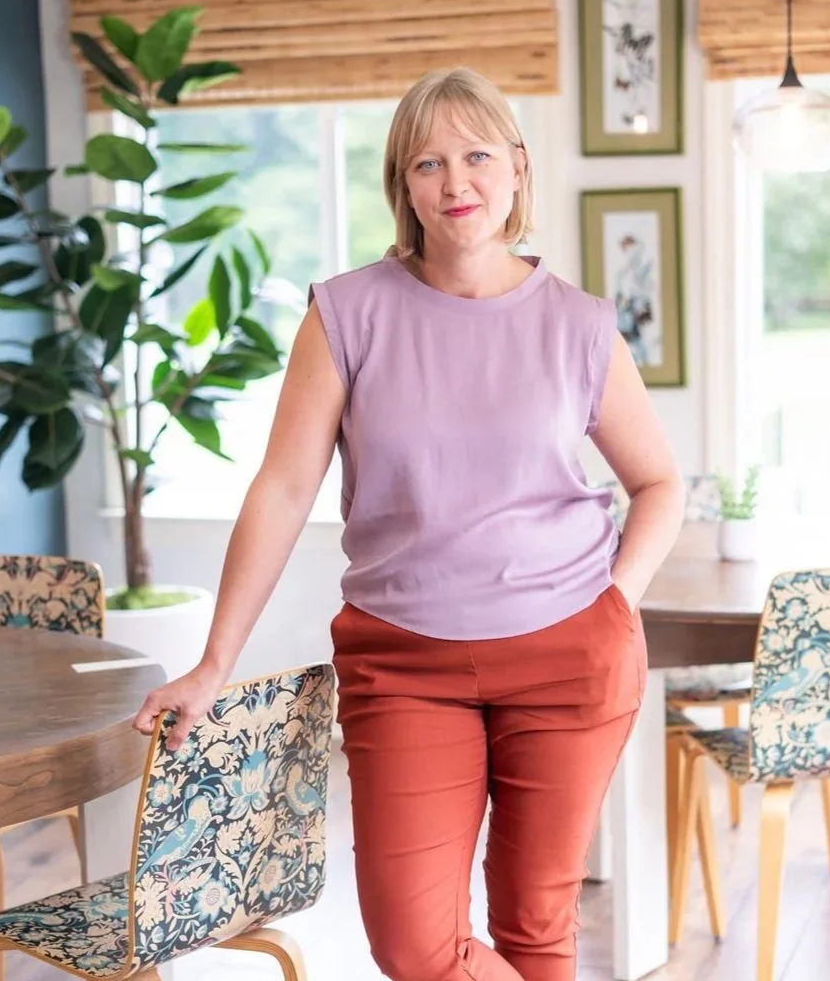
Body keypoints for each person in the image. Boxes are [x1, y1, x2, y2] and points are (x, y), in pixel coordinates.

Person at [133, 66, 685, 981]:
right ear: (403, 185)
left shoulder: (579, 324)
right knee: (413, 944)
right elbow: (281, 488)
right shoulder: (346, 313)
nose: (455, 182)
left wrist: (615, 602)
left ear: (516, 166)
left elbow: (659, 482)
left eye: (476, 156)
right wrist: (213, 662)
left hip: (570, 652)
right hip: (403, 663)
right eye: (427, 163)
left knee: (536, 924)